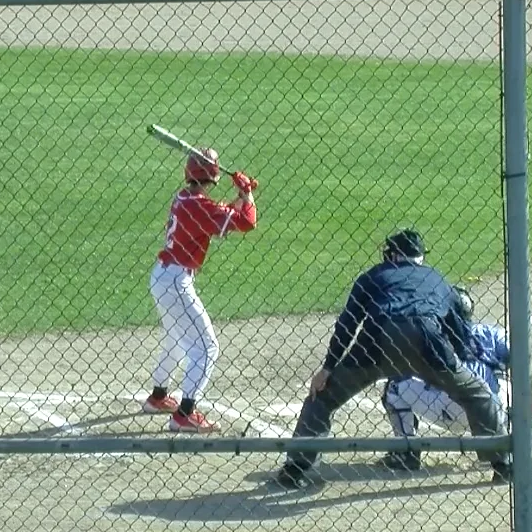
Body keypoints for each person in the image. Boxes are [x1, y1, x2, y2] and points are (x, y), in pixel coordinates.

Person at [274, 228, 513, 488]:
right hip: (427, 342)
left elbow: (347, 323)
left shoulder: (374, 275)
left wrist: (328, 368)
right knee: (477, 393)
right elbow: (459, 333)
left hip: (377, 340)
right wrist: (453, 364)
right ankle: (502, 464)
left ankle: (295, 468)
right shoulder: (438, 279)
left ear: (395, 254)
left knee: (322, 397)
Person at [141, 147, 258, 433]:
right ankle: (184, 414)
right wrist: (246, 196)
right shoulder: (201, 207)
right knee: (207, 348)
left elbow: (221, 215)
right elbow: (247, 222)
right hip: (176, 281)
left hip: (162, 277)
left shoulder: (186, 199)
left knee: (176, 338)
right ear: (213, 175)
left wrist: (243, 198)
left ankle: (158, 397)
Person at [378, 285, 532, 471]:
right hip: (491, 413)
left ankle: (407, 453)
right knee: (504, 379)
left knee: (394, 386)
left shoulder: (429, 336)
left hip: (446, 411)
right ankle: (505, 451)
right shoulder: (493, 334)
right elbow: (521, 366)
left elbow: (404, 369)